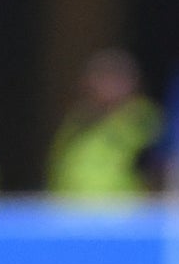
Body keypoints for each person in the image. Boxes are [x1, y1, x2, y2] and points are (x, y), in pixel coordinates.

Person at [47, 48, 161, 200]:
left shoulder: (141, 120)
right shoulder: (78, 119)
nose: (107, 85)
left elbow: (158, 170)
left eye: (115, 79)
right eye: (100, 77)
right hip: (69, 215)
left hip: (124, 216)